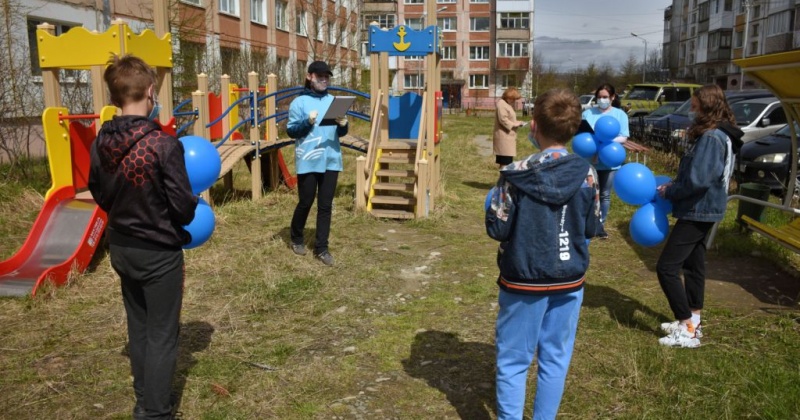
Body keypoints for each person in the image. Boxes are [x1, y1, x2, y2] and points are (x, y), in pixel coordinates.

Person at [88, 54, 198, 420]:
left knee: (138, 325)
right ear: (151, 91)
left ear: (115, 96)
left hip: (120, 246)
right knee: (163, 332)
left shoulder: (100, 140)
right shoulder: (163, 144)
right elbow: (182, 204)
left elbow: (97, 191)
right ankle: (154, 412)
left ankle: (143, 395)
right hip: (158, 252)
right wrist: (184, 210)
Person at [486, 88, 602, 419]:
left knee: (513, 360)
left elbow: (498, 228)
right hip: (569, 279)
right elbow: (592, 227)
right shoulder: (588, 174)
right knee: (555, 358)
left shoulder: (515, 174)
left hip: (523, 280)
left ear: (534, 125)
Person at [655, 84, 742, 348]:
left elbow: (699, 180)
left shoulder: (712, 137)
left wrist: (671, 190)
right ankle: (694, 319)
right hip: (704, 208)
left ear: (706, 107)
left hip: (699, 209)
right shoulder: (719, 133)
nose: (691, 111)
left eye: (694, 107)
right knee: (694, 266)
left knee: (666, 268)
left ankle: (686, 327)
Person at [286, 61, 349, 266]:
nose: (324, 79)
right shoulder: (299, 103)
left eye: (326, 76)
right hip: (308, 160)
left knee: (325, 206)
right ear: (310, 76)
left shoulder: (334, 101)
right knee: (306, 202)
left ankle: (322, 248)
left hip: (331, 159)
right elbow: (291, 131)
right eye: (320, 76)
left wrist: (343, 126)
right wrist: (308, 122)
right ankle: (296, 238)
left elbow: (339, 133)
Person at [581, 83, 629, 238]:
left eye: (605, 97)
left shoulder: (620, 115)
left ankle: (600, 225)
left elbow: (624, 136)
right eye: (599, 97)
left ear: (612, 97)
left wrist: (606, 140)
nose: (602, 100)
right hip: (590, 161)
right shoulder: (588, 114)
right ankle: (588, 223)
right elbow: (583, 136)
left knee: (605, 195)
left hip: (610, 160)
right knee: (589, 193)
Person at [493, 87, 527, 167]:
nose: (514, 101)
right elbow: (503, 119)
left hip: (508, 137)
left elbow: (508, 118)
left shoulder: (506, 104)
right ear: (508, 97)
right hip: (504, 137)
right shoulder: (502, 104)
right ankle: (503, 179)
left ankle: (503, 179)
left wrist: (518, 122)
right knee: (505, 162)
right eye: (513, 99)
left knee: (507, 161)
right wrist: (514, 124)